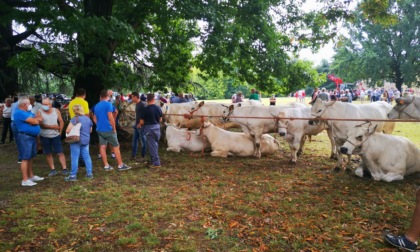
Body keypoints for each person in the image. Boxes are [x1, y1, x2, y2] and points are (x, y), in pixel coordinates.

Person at [93, 90, 131, 171]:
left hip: (100, 129)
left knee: (103, 146)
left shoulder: (96, 106)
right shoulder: (108, 104)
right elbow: (110, 117)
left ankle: (106, 165)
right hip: (108, 129)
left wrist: (98, 124)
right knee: (116, 146)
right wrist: (113, 128)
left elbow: (94, 117)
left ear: (100, 96)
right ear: (108, 96)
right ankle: (120, 165)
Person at [14, 97, 44, 186]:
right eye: (29, 103)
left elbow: (39, 119)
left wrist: (35, 120)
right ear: (24, 105)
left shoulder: (27, 112)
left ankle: (31, 176)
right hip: (25, 137)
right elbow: (35, 121)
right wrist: (35, 120)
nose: (30, 104)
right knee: (25, 158)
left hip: (31, 137)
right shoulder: (19, 113)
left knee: (30, 157)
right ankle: (25, 179)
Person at [37, 98, 68, 176]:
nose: (44, 106)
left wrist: (60, 132)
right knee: (48, 153)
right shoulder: (39, 112)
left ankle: (65, 168)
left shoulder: (56, 111)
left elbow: (61, 121)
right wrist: (52, 127)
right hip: (44, 135)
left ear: (50, 105)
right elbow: (40, 124)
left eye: (46, 104)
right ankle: (52, 169)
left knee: (60, 152)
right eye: (43, 104)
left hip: (55, 135)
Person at [64, 105, 94, 181]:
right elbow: (90, 130)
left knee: (74, 157)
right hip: (86, 140)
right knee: (87, 156)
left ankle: (73, 175)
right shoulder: (88, 119)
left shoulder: (74, 119)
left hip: (76, 140)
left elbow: (67, 130)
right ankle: (89, 173)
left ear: (74, 111)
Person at [140, 93, 163, 169]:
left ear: (147, 100)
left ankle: (156, 163)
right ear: (153, 99)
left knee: (152, 146)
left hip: (149, 128)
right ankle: (154, 160)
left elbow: (142, 122)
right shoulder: (158, 108)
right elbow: (160, 119)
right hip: (157, 127)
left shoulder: (145, 109)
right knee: (155, 144)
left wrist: (140, 124)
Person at [131, 92, 147, 161]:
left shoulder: (142, 105)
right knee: (134, 141)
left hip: (141, 126)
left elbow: (144, 115)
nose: (131, 98)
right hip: (136, 125)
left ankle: (143, 156)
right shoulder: (137, 104)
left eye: (132, 97)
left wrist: (141, 124)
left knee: (143, 141)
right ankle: (133, 155)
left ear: (136, 97)